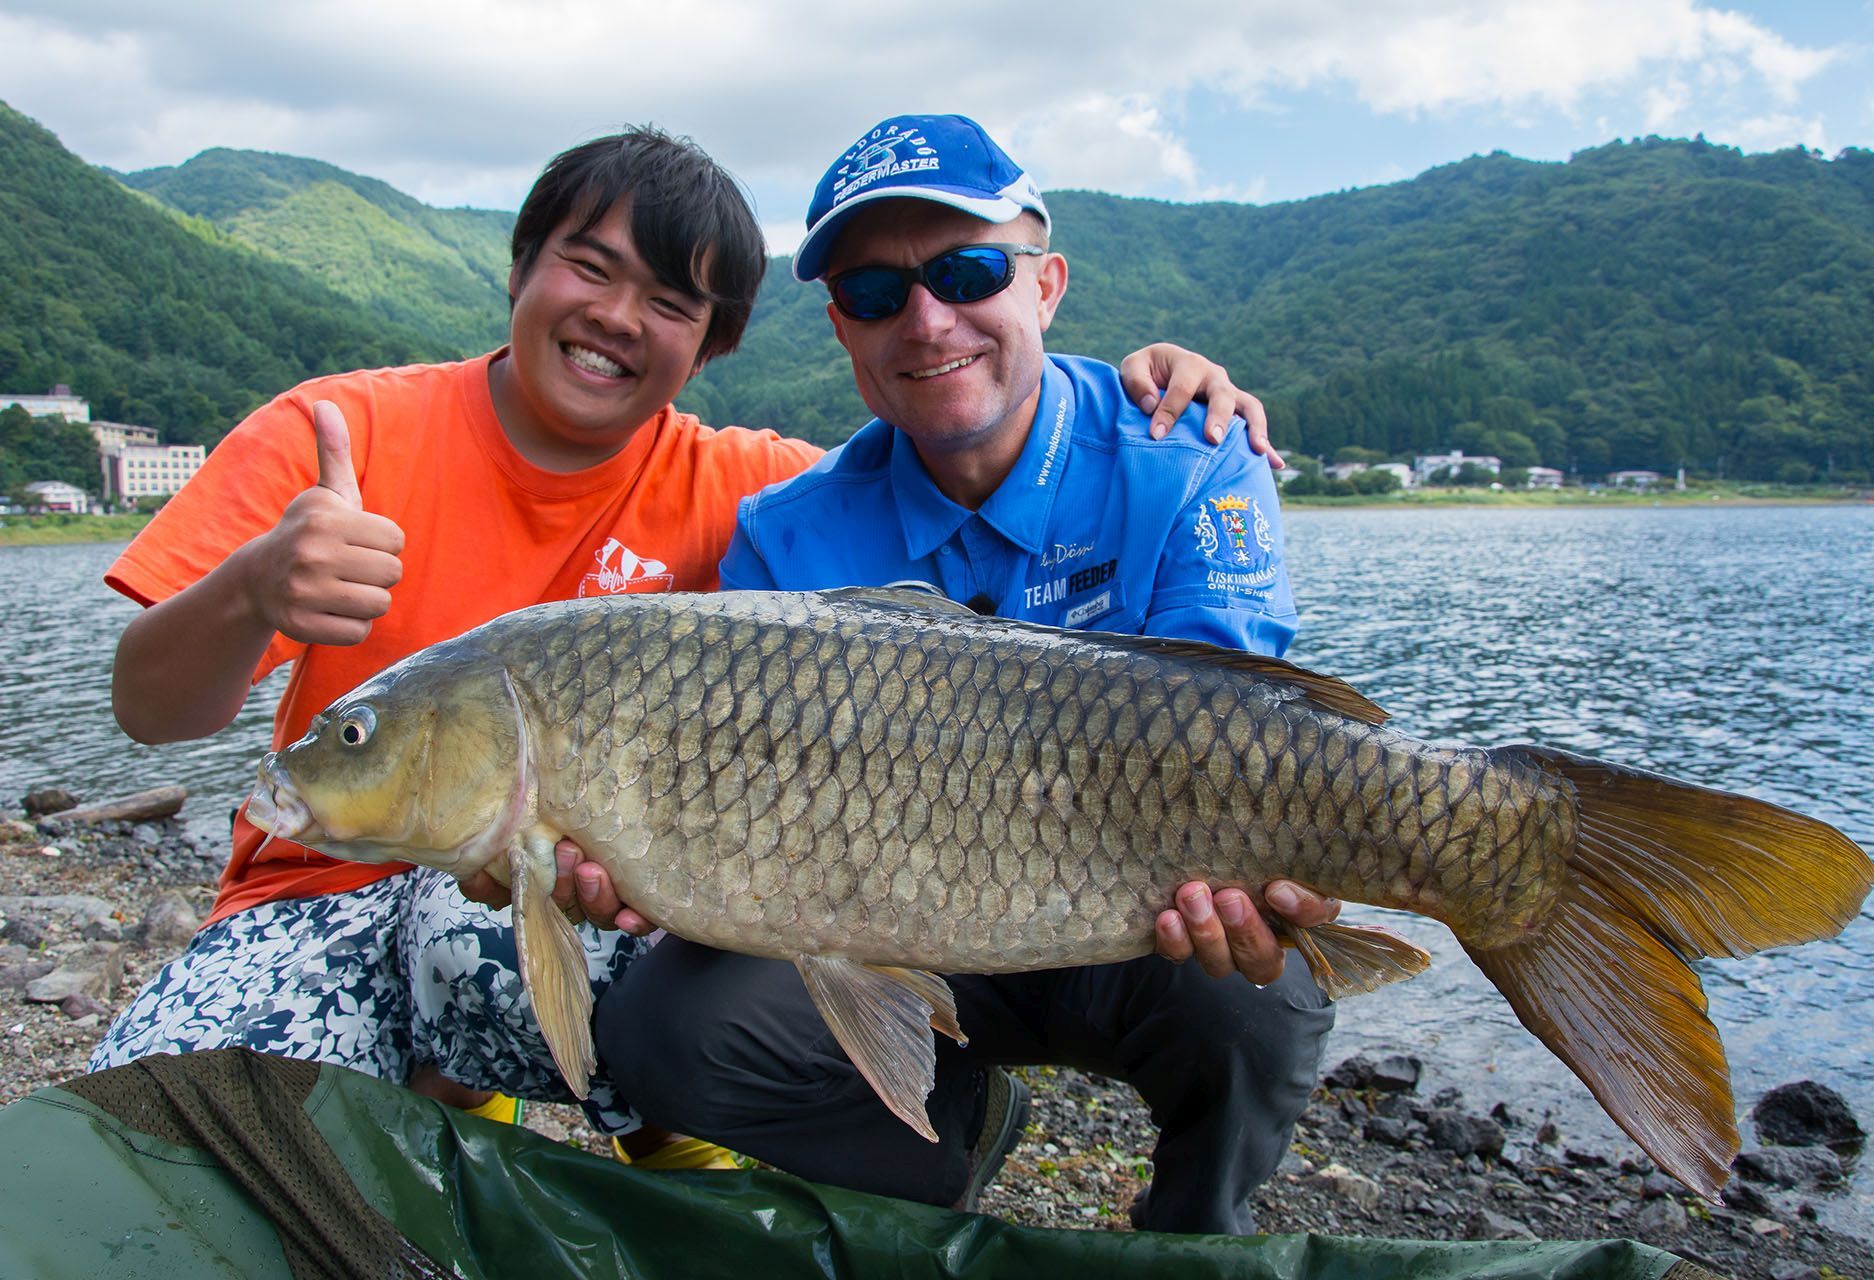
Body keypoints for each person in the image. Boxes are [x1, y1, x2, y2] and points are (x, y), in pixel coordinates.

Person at [88, 123, 1292, 1154]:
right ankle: (473, 1108)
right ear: (521, 267)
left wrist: (1159, 381)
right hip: (306, 898)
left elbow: (957, 456)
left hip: (510, 905)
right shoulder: (339, 432)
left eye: (670, 301)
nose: (617, 318)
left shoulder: (749, 487)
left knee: (630, 945)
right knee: (164, 1143)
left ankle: (724, 1138)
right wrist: (252, 589)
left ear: (712, 341)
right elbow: (149, 712)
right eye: (589, 267)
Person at [588, 115, 1338, 1234]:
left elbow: (1242, 721)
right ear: (843, 326)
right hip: (888, 934)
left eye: (967, 270)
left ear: (1047, 285)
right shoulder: (783, 542)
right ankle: (942, 1162)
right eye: (876, 292)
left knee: (1258, 991)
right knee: (661, 1028)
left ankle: (1192, 1235)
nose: (927, 319)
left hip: (1133, 923)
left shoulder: (1189, 453)